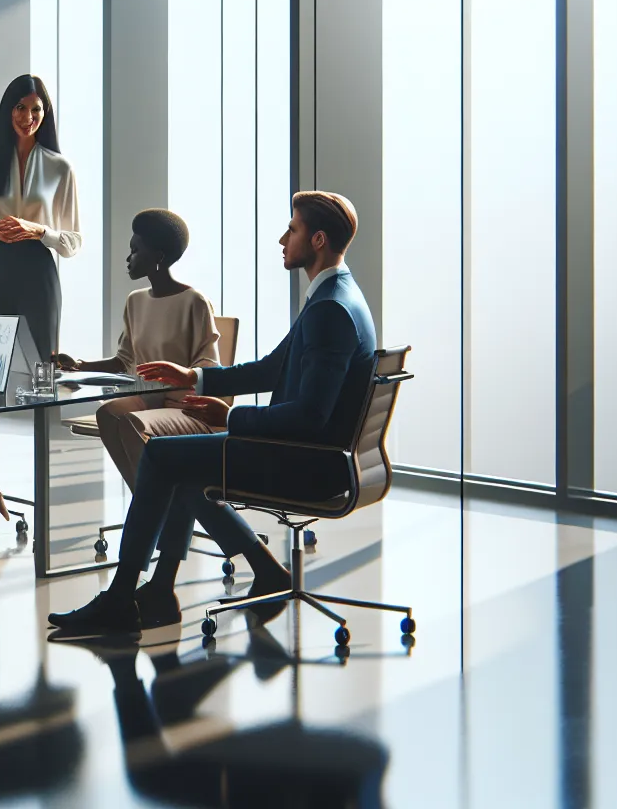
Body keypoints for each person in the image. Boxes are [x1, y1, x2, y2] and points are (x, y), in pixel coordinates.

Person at [47, 192, 376, 633]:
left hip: (307, 463)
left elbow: (310, 417)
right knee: (175, 458)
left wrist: (230, 419)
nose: (282, 238)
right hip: (309, 454)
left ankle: (123, 598)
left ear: (317, 240)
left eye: (292, 229)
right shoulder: (335, 297)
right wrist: (194, 378)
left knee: (164, 455)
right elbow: (270, 369)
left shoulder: (330, 309)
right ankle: (162, 590)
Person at [0, 74, 83, 480]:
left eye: (36, 109)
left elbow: (72, 242)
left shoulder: (60, 168)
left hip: (38, 274)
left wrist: (37, 230)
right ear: (7, 111)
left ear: (45, 114)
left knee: (40, 377)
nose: (27, 117)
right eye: (19, 108)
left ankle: (44, 482)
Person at [53, 209, 225, 486]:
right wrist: (79, 366)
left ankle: (152, 499)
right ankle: (146, 495)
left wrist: (180, 389)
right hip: (147, 399)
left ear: (158, 256)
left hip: (183, 406)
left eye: (135, 250)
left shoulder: (194, 301)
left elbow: (208, 366)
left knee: (131, 421)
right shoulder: (136, 301)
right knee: (108, 414)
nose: (128, 257)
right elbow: (124, 360)